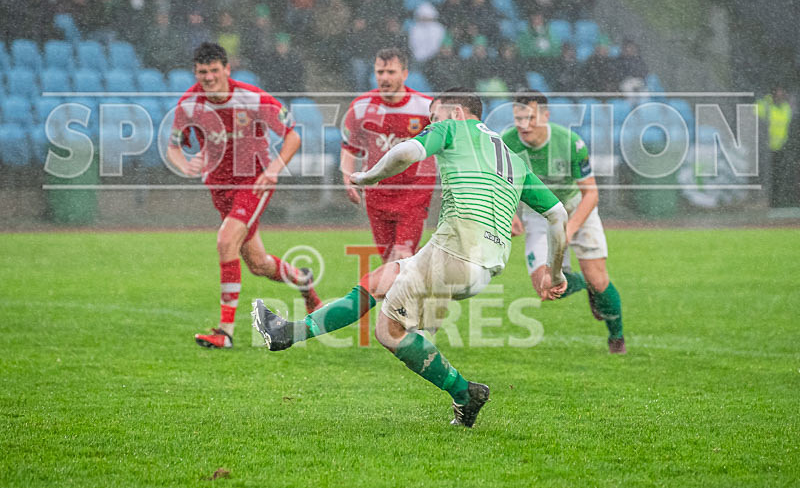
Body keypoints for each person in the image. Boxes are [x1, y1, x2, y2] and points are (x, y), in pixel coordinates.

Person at [252, 88, 569, 428]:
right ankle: (288, 333)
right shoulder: (512, 158)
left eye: (434, 118)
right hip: (483, 265)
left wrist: (366, 176)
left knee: (389, 332)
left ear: (457, 113)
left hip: (453, 254)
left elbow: (406, 152)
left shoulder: (452, 128)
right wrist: (556, 271)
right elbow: (558, 215)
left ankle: (465, 392)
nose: (430, 124)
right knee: (376, 281)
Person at [166, 42, 321, 349]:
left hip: (254, 180)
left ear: (227, 69)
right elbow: (174, 146)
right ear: (195, 73)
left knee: (226, 241)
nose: (208, 78)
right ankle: (303, 279)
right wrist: (186, 164)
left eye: (214, 71)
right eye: (202, 72)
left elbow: (293, 135)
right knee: (258, 263)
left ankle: (225, 332)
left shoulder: (251, 97)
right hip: (219, 188)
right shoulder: (188, 104)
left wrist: (274, 169)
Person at [502, 90, 626, 354]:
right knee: (546, 288)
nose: (524, 124)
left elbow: (591, 193)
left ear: (546, 116)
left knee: (599, 279)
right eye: (519, 118)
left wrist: (569, 229)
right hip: (539, 213)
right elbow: (500, 186)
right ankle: (582, 283)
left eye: (531, 117)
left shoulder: (570, 142)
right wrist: (510, 213)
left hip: (574, 206)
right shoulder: (507, 143)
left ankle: (617, 338)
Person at [340, 48, 435, 263]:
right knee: (388, 262)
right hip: (377, 193)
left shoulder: (425, 108)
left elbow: (448, 143)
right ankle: (415, 293)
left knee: (402, 256)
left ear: (405, 74)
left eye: (391, 72)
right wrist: (347, 178)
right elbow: (349, 147)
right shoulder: (361, 107)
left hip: (413, 192)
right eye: (380, 72)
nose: (384, 78)